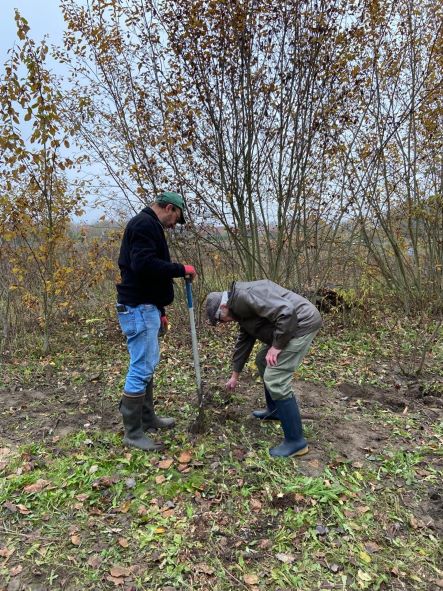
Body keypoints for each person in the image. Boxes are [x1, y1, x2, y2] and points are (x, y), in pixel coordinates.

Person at [116, 191, 196, 451]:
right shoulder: (144, 225)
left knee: (147, 364)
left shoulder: (149, 226)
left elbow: (149, 274)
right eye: (177, 218)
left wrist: (160, 309)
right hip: (138, 307)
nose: (175, 224)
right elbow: (144, 265)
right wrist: (179, 268)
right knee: (141, 366)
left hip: (146, 306)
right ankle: (133, 432)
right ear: (170, 208)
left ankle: (148, 418)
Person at [206, 280, 322, 457]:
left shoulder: (246, 297)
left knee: (276, 378)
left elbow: (286, 312)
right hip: (287, 327)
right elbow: (244, 341)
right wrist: (234, 375)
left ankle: (296, 442)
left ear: (223, 306)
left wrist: (276, 346)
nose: (224, 323)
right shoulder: (239, 309)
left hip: (300, 324)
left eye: (220, 320)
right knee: (262, 360)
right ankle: (274, 410)